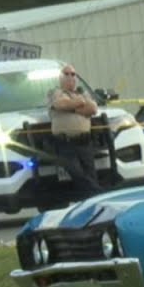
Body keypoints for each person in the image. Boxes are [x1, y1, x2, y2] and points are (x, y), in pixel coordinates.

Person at [47, 64, 101, 196]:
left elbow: (93, 109)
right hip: (65, 144)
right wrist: (80, 103)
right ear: (60, 77)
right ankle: (99, 194)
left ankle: (93, 198)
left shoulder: (83, 93)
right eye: (66, 74)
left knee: (90, 174)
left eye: (73, 74)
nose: (70, 76)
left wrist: (72, 107)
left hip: (84, 142)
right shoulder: (55, 93)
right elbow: (61, 104)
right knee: (78, 174)